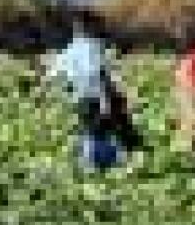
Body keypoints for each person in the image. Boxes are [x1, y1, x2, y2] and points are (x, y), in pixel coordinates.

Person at [42, 13, 136, 170]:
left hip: (80, 98)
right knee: (102, 130)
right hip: (97, 96)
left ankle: (94, 163)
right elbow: (98, 74)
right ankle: (99, 162)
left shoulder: (69, 49)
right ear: (90, 27)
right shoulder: (93, 47)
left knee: (91, 129)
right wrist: (106, 100)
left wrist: (43, 93)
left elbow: (53, 74)